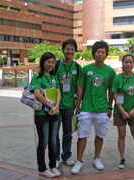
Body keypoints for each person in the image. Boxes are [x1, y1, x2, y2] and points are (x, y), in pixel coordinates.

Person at [71, 40, 116, 174]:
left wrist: (110, 107)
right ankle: (79, 161)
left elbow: (111, 91)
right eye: (98, 52)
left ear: (106, 54)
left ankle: (97, 158)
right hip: (86, 107)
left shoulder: (110, 71)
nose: (100, 54)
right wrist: (78, 106)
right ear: (94, 53)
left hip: (102, 109)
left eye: (103, 52)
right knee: (82, 135)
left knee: (100, 135)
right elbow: (80, 88)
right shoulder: (86, 69)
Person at [30, 52, 61, 178]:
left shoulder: (54, 77)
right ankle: (42, 168)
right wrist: (49, 105)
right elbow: (37, 94)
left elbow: (58, 92)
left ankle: (52, 166)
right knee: (43, 143)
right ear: (43, 62)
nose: (51, 64)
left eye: (53, 62)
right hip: (42, 114)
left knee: (53, 142)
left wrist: (56, 106)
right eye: (48, 61)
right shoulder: (37, 77)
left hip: (54, 113)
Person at [111, 54, 134, 169]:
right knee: (121, 135)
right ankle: (122, 158)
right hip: (120, 112)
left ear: (133, 64)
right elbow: (114, 94)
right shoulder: (117, 78)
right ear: (122, 63)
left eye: (131, 62)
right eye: (126, 62)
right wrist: (123, 111)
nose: (128, 64)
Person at [54, 39, 82, 167]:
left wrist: (78, 105)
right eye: (67, 49)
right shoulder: (56, 65)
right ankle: (56, 157)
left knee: (68, 133)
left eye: (72, 49)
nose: (70, 51)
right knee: (54, 132)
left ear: (75, 51)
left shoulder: (77, 67)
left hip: (70, 105)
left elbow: (78, 87)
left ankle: (66, 155)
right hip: (55, 105)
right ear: (63, 50)